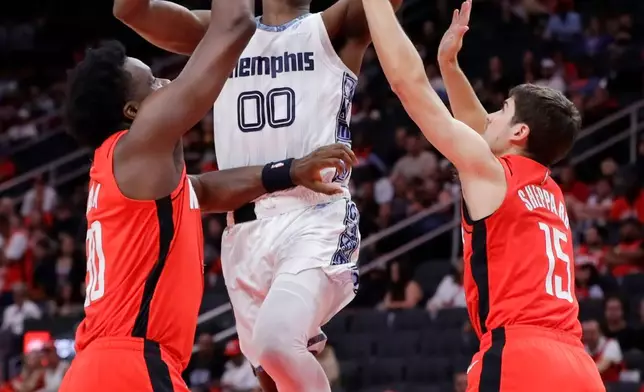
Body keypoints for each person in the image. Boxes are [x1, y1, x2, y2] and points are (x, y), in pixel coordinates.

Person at [58, 1, 357, 391]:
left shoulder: (126, 172)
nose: (167, 84)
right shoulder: (139, 148)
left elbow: (203, 190)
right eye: (152, 83)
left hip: (94, 370)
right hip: (132, 366)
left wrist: (289, 170)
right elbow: (234, 23)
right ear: (133, 111)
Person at [362, 0, 604, 390]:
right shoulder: (548, 188)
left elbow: (408, 86)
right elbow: (481, 129)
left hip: (522, 358)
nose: (490, 115)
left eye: (502, 109)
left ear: (520, 132)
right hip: (578, 366)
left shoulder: (494, 175)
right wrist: (450, 66)